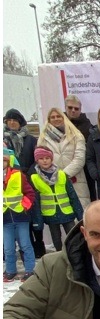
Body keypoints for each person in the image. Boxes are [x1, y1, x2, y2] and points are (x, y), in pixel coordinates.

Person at [28, 146, 83, 252]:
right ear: (37, 160)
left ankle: (74, 255)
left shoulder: (61, 174)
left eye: (47, 158)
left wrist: (80, 214)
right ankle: (60, 255)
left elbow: (72, 195)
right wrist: (38, 220)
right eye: (41, 158)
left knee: (73, 237)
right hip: (50, 214)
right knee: (56, 239)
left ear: (51, 159)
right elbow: (36, 202)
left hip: (67, 212)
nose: (45, 161)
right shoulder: (34, 178)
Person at [37, 107, 91, 209]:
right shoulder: (43, 138)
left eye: (58, 116)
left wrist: (62, 175)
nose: (56, 119)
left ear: (64, 118)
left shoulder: (77, 135)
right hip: (52, 181)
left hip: (76, 182)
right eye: (52, 117)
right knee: (61, 216)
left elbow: (79, 159)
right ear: (48, 120)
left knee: (80, 218)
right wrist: (54, 176)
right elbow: (40, 159)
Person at [3, 148, 36, 282]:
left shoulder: (18, 175)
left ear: (8, 162)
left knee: (25, 244)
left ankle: (30, 270)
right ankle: (10, 271)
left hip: (21, 216)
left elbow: (30, 193)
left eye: (3, 161)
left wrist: (25, 206)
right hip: (4, 219)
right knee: (8, 248)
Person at [64, 94, 96, 202]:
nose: (73, 110)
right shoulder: (58, 124)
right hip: (63, 169)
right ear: (65, 108)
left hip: (85, 171)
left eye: (76, 108)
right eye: (70, 107)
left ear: (80, 110)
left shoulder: (88, 126)